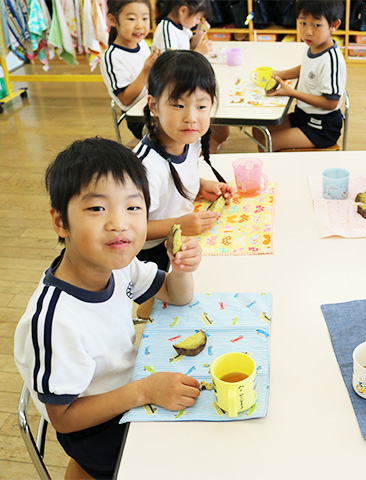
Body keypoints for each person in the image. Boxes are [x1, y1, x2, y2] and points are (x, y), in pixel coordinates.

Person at [14, 137, 204, 479]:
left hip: (127, 387)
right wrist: (145, 390)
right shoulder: (57, 321)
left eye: (133, 207)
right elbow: (64, 417)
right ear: (60, 222)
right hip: (97, 429)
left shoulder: (118, 265)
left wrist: (181, 269)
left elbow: (177, 296)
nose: (120, 223)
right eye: (97, 208)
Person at [135, 50, 234, 273]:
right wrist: (178, 223)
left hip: (180, 240)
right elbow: (130, 228)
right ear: (153, 106)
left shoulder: (190, 141)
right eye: (178, 105)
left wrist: (200, 185)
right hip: (150, 255)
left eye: (201, 106)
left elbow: (176, 177)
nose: (191, 117)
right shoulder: (145, 169)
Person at [252, 0, 347, 151]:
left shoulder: (331, 60)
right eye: (303, 23)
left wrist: (292, 93)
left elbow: (331, 103)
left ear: (334, 25)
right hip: (303, 115)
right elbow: (308, 68)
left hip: (321, 128)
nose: (308, 32)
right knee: (259, 129)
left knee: (269, 141)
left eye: (317, 25)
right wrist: (280, 74)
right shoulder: (313, 46)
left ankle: (278, 168)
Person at [152, 0, 229, 151]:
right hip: (173, 89)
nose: (196, 22)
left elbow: (189, 48)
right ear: (183, 10)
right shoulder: (166, 30)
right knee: (210, 136)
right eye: (196, 18)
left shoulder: (182, 27)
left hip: (186, 85)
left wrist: (200, 33)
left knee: (220, 127)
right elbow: (170, 67)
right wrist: (198, 53)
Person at [100, 0, 160, 139]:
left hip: (154, 106)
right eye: (132, 19)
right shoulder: (112, 57)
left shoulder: (142, 44)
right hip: (139, 117)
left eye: (145, 18)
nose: (140, 25)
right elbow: (126, 99)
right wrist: (146, 71)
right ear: (113, 20)